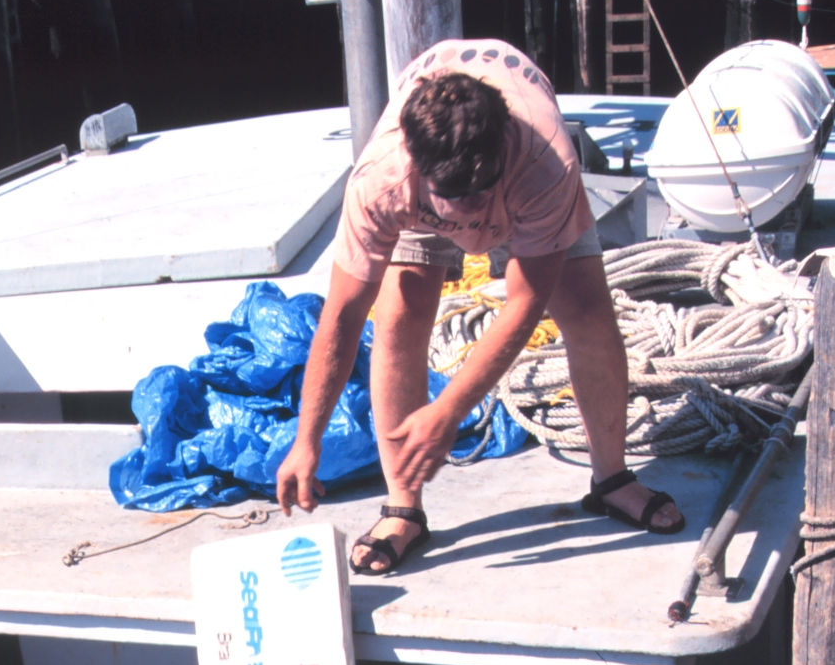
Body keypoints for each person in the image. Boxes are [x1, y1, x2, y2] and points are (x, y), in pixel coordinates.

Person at [275, 38, 685, 575]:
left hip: (524, 184)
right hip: (422, 197)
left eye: (480, 189)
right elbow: (344, 314)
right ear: (419, 168)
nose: (473, 210)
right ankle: (403, 507)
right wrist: (307, 440)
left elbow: (525, 301)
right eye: (456, 195)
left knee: (586, 309)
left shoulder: (544, 160)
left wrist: (448, 412)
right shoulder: (382, 180)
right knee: (400, 313)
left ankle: (611, 478)